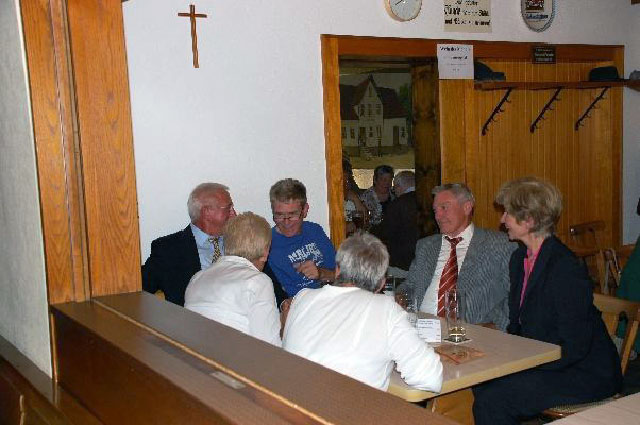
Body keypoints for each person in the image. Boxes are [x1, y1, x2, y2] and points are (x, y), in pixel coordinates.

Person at [473, 177, 622, 425]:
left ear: (529, 220)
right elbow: (517, 325)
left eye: (508, 213)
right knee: (481, 382)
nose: (502, 220)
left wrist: (526, 365)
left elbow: (575, 345)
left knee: (494, 399)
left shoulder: (564, 267)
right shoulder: (520, 259)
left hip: (583, 371)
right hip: (546, 359)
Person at [282, 233, 442, 392]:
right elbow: (430, 378)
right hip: (345, 407)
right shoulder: (386, 309)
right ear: (381, 283)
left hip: (290, 403)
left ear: (337, 271)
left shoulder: (302, 298)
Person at [402, 183, 516, 331]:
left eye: (444, 208)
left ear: (467, 207)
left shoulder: (499, 245)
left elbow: (515, 296)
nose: (437, 216)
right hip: (420, 329)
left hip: (472, 333)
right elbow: (409, 286)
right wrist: (399, 296)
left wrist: (496, 326)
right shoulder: (426, 246)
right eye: (435, 210)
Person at [184, 212, 281, 346]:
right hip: (234, 358)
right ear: (266, 252)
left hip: (195, 357)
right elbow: (269, 346)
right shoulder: (258, 281)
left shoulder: (197, 278)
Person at [142, 183, 236, 306]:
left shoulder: (241, 241)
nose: (234, 214)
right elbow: (137, 292)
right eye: (228, 208)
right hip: (191, 317)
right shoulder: (168, 250)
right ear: (207, 212)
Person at [266, 178, 336, 299]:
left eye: (292, 215)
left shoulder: (314, 230)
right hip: (301, 305)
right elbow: (278, 296)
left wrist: (321, 273)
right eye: (279, 215)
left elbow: (341, 275)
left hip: (332, 298)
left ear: (305, 210)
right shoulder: (267, 244)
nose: (286, 222)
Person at [371, 170, 418, 272]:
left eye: (394, 188)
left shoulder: (398, 204)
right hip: (425, 261)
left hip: (401, 263)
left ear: (398, 186)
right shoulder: (428, 200)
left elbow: (385, 233)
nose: (394, 191)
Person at [343, 159, 368, 236]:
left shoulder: (352, 198)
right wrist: (345, 228)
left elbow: (364, 222)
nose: (346, 185)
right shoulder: (327, 200)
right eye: (343, 181)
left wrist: (356, 199)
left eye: (348, 181)